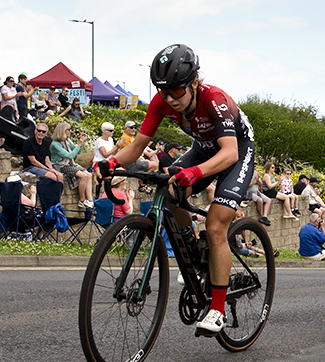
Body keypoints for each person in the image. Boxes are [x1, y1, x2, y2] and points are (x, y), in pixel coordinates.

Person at [99, 44, 256, 335]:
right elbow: (135, 148)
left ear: (194, 81)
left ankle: (217, 309)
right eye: (163, 91)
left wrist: (195, 172)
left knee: (216, 224)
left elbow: (230, 153)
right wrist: (109, 163)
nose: (170, 99)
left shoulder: (215, 99)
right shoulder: (162, 102)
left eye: (176, 91)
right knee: (169, 193)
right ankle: (194, 251)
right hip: (203, 149)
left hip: (235, 151)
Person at [50, 121, 94, 208]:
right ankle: (82, 200)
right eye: (68, 130)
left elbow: (78, 151)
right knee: (83, 176)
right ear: (63, 131)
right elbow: (70, 155)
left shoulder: (67, 140)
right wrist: (79, 144)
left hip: (69, 164)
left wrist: (80, 142)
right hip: (60, 165)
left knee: (88, 175)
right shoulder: (55, 144)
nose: (70, 131)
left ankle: (90, 200)